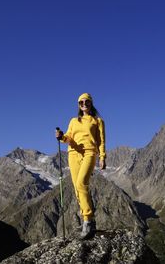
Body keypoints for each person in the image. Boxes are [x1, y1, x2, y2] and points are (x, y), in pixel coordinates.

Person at [55, 92, 106, 240]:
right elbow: (68, 138)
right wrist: (61, 136)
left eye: (86, 102)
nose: (84, 104)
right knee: (78, 189)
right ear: (79, 105)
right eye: (81, 102)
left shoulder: (97, 121)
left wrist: (102, 157)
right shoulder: (73, 121)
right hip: (73, 154)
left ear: (91, 103)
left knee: (81, 184)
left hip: (89, 152)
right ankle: (90, 219)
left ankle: (87, 220)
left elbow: (101, 141)